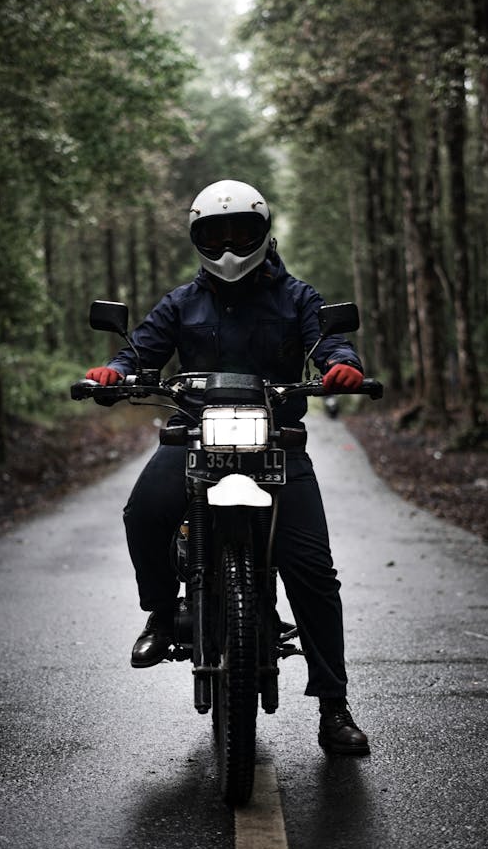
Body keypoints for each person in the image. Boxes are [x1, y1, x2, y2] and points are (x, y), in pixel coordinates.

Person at [86, 180, 369, 756]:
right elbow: (139, 351)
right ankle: (163, 616)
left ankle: (334, 706)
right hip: (194, 437)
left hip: (277, 444)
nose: (231, 245)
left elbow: (330, 343)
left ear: (264, 231)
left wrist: (343, 366)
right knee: (143, 513)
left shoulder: (297, 298)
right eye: (216, 235)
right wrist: (114, 373)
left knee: (312, 569)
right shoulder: (180, 303)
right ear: (198, 239)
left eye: (242, 232)